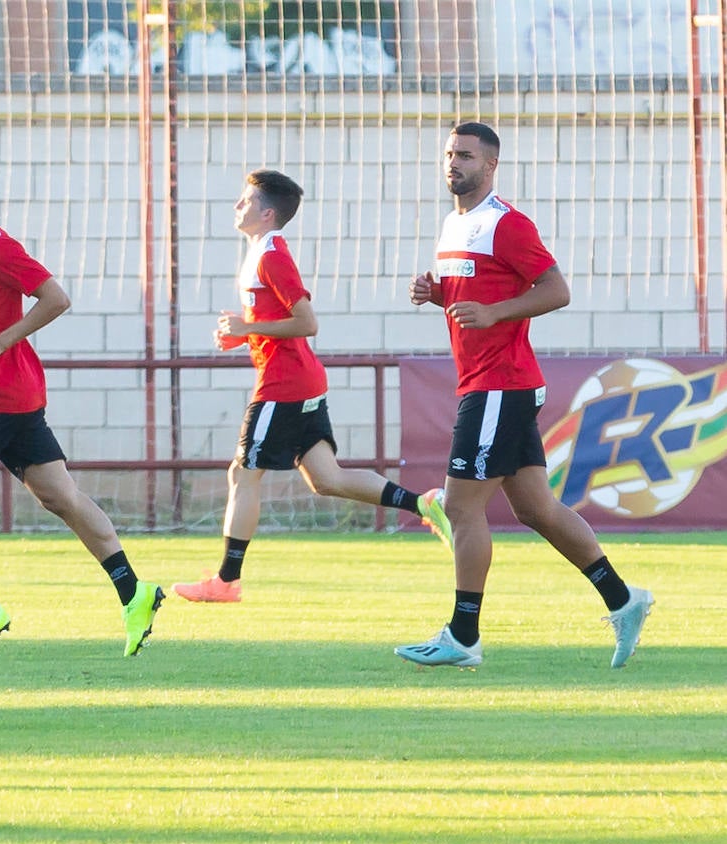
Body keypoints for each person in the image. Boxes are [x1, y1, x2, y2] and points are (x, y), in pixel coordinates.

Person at [396, 121, 653, 669]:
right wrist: (437, 292)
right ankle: (623, 600)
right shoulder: (453, 223)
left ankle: (463, 636)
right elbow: (473, 290)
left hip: (499, 386)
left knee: (461, 507)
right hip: (493, 385)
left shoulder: (507, 223)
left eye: (464, 155)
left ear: (490, 165)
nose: (452, 163)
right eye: (448, 154)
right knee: (537, 509)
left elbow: (556, 290)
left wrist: (492, 313)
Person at [0, 148, 163, 659]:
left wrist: (3, 340)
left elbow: (56, 297)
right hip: (15, 395)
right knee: (62, 498)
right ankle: (135, 593)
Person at [172, 169, 452, 605]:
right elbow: (279, 321)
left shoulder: (271, 256)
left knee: (242, 474)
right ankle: (425, 504)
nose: (236, 206)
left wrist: (247, 325)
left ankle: (226, 581)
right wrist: (245, 334)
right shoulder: (261, 251)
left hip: (283, 385)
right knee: (327, 479)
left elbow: (307, 322)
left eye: (245, 201)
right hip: (301, 381)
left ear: (267, 214)